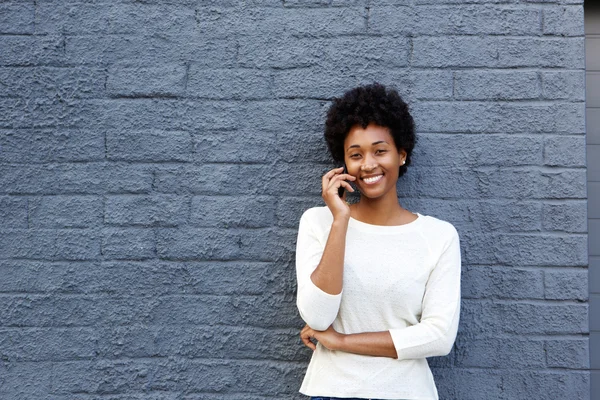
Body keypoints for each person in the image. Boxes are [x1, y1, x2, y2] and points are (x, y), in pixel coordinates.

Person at [295, 83, 461, 400]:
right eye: (356, 155)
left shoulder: (438, 236)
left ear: (401, 154)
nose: (368, 164)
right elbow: (317, 317)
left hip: (406, 392)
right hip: (332, 390)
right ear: (344, 164)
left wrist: (342, 342)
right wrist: (340, 219)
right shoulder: (318, 222)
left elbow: (439, 336)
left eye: (380, 150)